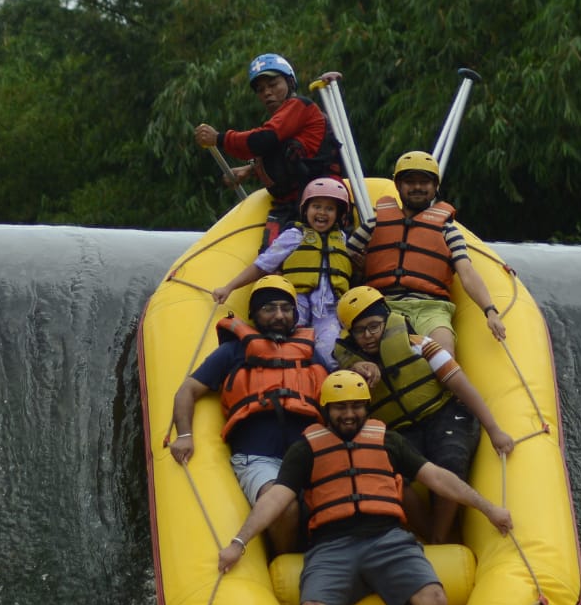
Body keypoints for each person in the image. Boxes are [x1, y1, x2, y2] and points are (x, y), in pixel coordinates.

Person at [217, 371, 512, 605]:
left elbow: (436, 477)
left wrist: (489, 509)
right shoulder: (305, 449)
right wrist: (238, 543)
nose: (349, 414)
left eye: (357, 407)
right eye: (341, 407)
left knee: (435, 600)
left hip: (388, 539)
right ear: (326, 409)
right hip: (330, 546)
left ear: (367, 407)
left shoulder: (388, 441)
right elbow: (276, 498)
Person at [333, 285, 514, 543]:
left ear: (386, 320)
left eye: (374, 326)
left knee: (451, 459)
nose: (369, 336)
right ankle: (427, 532)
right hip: (399, 430)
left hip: (443, 414)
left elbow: (461, 385)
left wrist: (494, 430)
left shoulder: (420, 345)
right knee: (393, 476)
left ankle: (439, 537)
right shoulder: (351, 372)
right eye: (360, 331)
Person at [171, 275, 326, 552]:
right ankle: (281, 560)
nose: (279, 315)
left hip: (309, 455)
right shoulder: (233, 351)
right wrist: (184, 435)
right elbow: (187, 390)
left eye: (285, 308)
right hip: (257, 457)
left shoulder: (310, 354)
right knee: (283, 506)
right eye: (269, 309)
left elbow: (339, 397)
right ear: (254, 314)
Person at [345, 149, 506, 356]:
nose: (418, 187)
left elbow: (467, 272)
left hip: (432, 308)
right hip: (384, 305)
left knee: (443, 353)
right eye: (410, 182)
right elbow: (344, 258)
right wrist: (360, 269)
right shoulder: (374, 224)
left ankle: (448, 387)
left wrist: (490, 311)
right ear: (398, 186)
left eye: (425, 182)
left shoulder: (447, 230)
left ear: (435, 187)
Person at [193, 52, 342, 248]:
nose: (267, 93)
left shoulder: (299, 106)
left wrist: (219, 138)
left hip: (318, 203)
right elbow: (283, 155)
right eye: (261, 89)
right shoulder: (282, 121)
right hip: (290, 206)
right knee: (268, 261)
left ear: (289, 83)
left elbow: (262, 141)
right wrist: (250, 170)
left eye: (273, 85)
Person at [212, 177, 353, 368]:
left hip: (328, 310)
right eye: (316, 206)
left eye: (330, 208)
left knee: (330, 356)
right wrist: (229, 287)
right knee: (289, 347)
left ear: (339, 214)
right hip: (296, 305)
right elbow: (262, 266)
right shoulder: (294, 235)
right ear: (305, 209)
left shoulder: (342, 239)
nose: (322, 213)